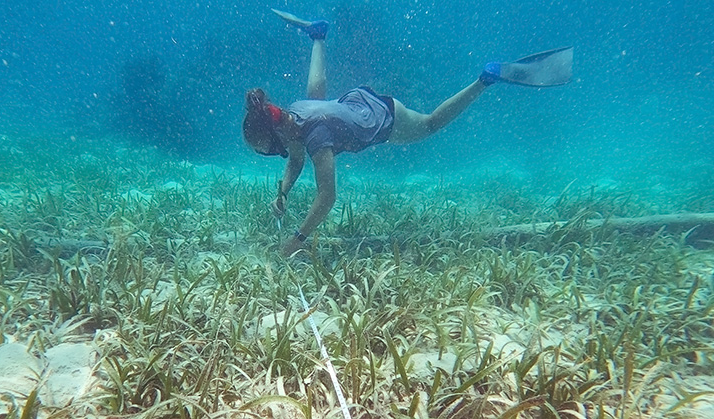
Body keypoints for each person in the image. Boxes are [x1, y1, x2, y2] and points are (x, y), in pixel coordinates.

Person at [243, 9, 573, 257]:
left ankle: (486, 79)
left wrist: (297, 239)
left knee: (430, 125)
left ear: (276, 135)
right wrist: (283, 193)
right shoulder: (292, 116)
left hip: (383, 117)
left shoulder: (316, 139)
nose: (272, 154)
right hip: (347, 105)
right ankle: (318, 35)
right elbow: (294, 160)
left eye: (267, 150)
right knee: (315, 97)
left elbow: (327, 197)